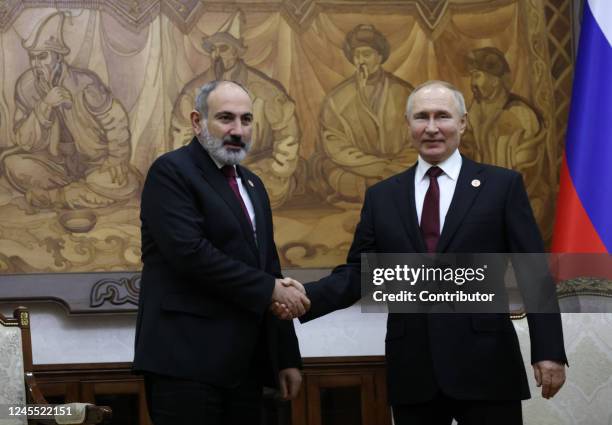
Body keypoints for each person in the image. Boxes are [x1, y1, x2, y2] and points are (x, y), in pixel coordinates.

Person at [279, 81, 567, 424]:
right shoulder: (383, 197)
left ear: (462, 122)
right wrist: (303, 296)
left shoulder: (501, 186)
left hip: (487, 365)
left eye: (442, 116)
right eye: (421, 117)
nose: (431, 127)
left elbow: (533, 274)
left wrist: (548, 351)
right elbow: (361, 273)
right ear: (409, 125)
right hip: (414, 369)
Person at [134, 80, 310, 424]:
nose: (237, 130)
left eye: (246, 120)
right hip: (185, 364)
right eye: (226, 118)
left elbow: (269, 268)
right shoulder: (171, 172)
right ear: (197, 122)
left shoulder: (252, 184)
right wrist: (270, 289)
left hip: (244, 366)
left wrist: (287, 357)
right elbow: (190, 253)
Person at [5, 12, 140, 209]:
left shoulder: (85, 82)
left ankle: (53, 198)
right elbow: (23, 141)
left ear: (57, 56)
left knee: (126, 182)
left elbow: (116, 119)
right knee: (12, 165)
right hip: (56, 164)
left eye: (42, 56)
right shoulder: (26, 86)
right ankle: (77, 193)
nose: (36, 65)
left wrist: (116, 159)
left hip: (94, 163)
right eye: (33, 58)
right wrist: (45, 106)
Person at [170, 10, 301, 208]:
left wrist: (276, 170)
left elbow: (287, 137)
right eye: (212, 49)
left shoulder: (266, 90)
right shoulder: (193, 92)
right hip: (208, 174)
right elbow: (181, 135)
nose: (216, 55)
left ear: (237, 51)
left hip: (256, 172)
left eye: (223, 48)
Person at [309, 24, 415, 207]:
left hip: (398, 168)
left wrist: (391, 170)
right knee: (335, 174)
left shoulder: (405, 93)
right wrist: (379, 168)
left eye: (367, 54)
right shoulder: (337, 98)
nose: (361, 61)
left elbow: (417, 139)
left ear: (380, 57)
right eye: (357, 55)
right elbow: (335, 145)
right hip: (354, 170)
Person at [464, 47, 548, 221]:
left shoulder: (520, 114)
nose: (472, 83)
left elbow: (528, 170)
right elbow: (469, 149)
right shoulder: (476, 110)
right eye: (472, 76)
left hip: (521, 201)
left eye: (477, 76)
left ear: (495, 80)